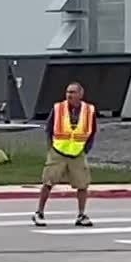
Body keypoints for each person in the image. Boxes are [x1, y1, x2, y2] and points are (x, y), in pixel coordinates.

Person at [31, 81, 97, 228]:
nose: (69, 95)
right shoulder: (58, 108)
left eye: (73, 92)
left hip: (78, 153)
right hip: (58, 152)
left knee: (82, 184)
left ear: (81, 94)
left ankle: (81, 214)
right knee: (48, 182)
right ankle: (39, 212)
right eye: (68, 92)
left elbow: (92, 131)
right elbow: (49, 129)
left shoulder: (89, 110)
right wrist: (50, 148)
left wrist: (86, 149)